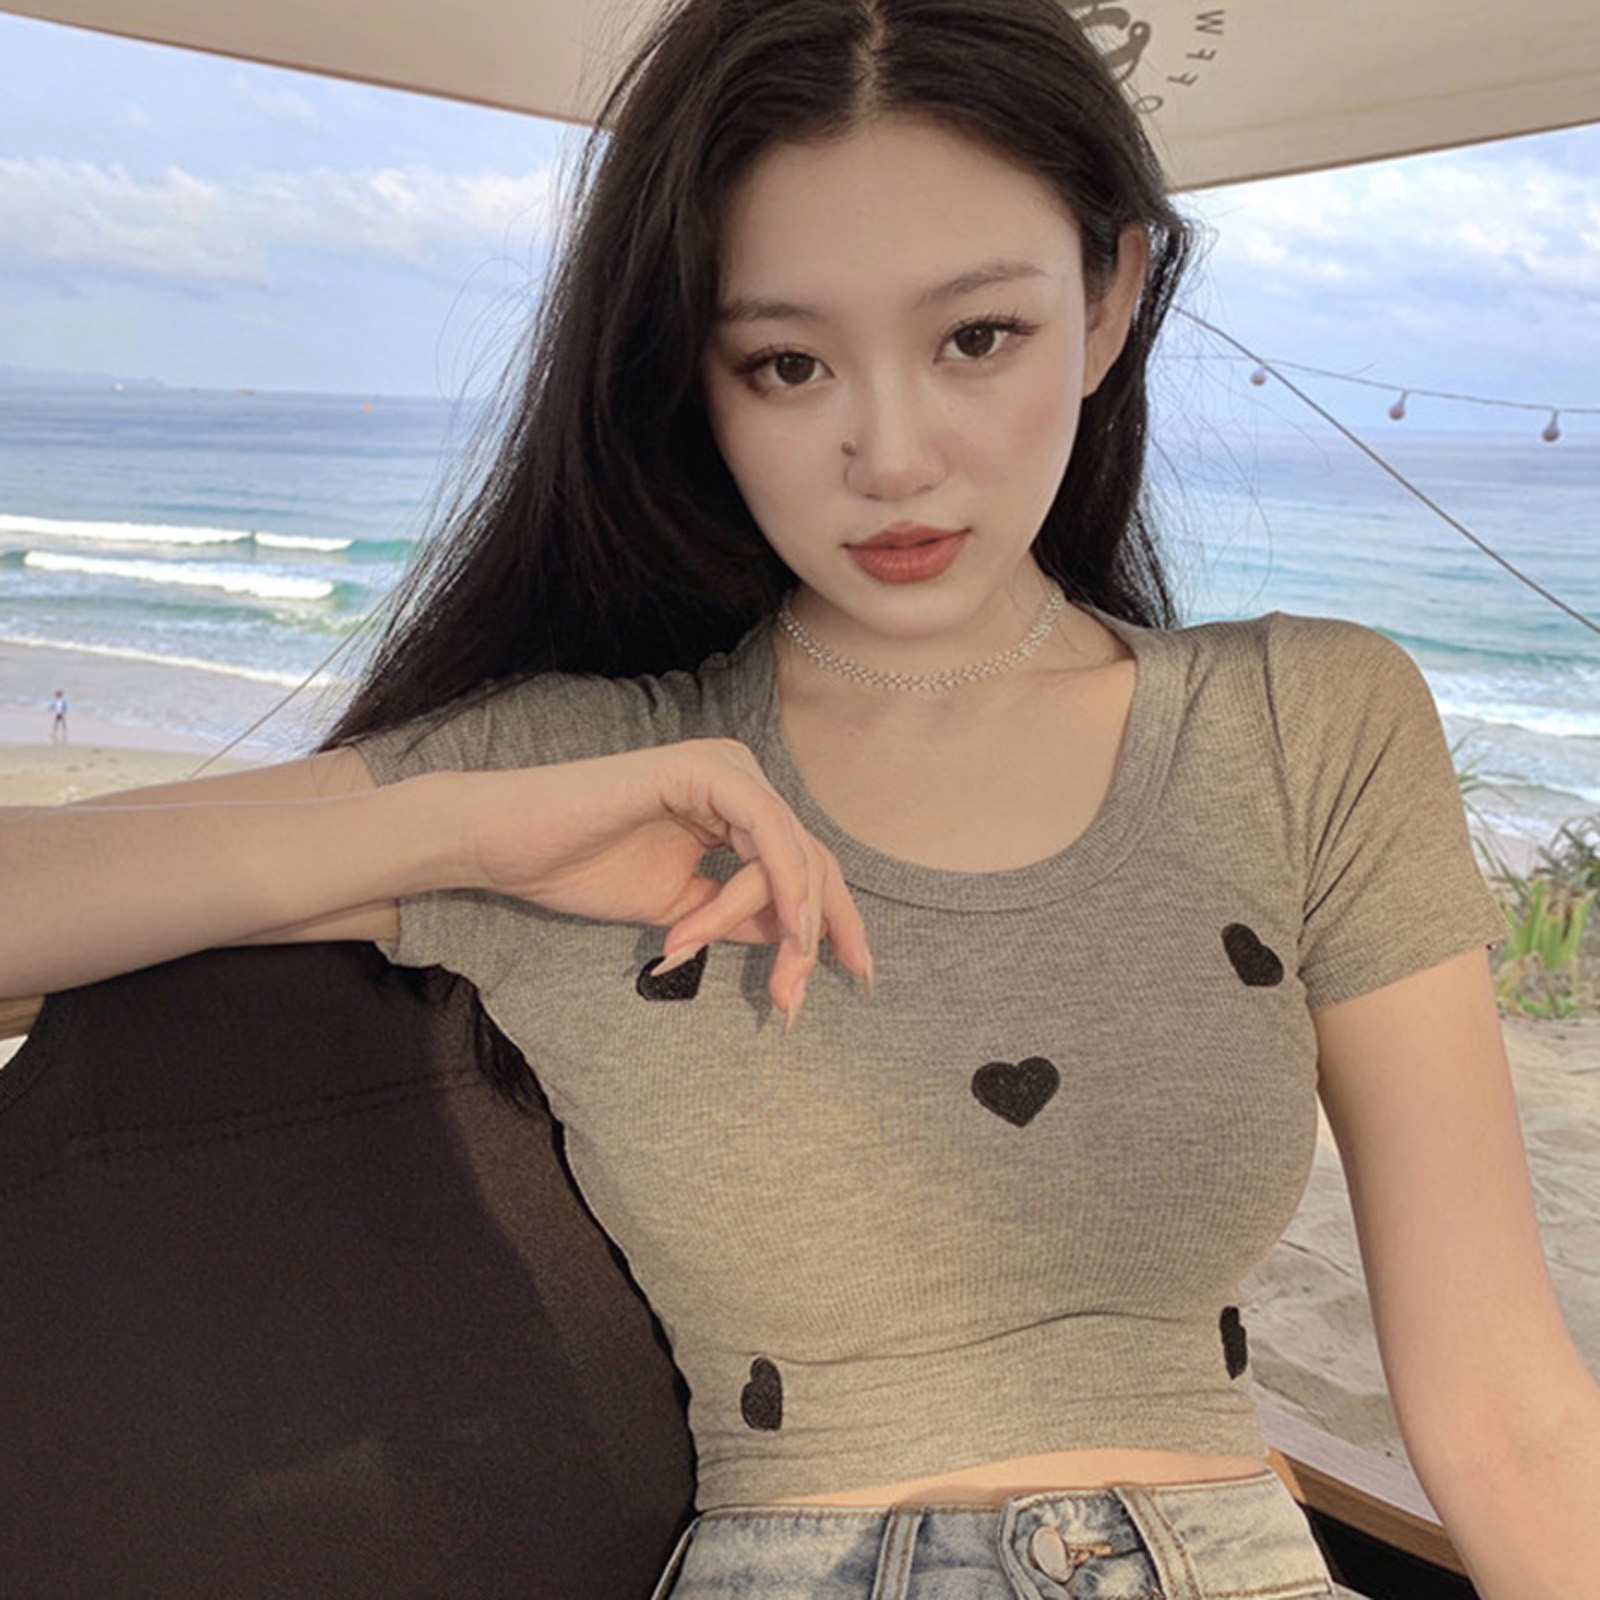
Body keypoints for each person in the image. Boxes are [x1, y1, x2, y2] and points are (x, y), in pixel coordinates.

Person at [3, 1, 1598, 1595]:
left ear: (1110, 298)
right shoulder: (599, 783)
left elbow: (1508, 1416)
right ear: (693, 374)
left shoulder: (1306, 725)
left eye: (977, 337)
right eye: (787, 362)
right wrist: (457, 825)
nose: (890, 456)